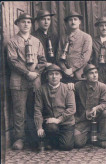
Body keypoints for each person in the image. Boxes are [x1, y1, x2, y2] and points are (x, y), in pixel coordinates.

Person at [7, 13, 46, 150]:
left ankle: (35, 138)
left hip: (35, 81)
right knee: (19, 111)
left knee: (36, 109)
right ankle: (19, 139)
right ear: (17, 24)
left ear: (31, 24)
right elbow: (12, 61)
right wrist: (27, 73)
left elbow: (42, 61)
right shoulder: (12, 42)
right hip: (18, 82)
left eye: (28, 22)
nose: (26, 24)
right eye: (23, 22)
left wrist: (36, 73)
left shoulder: (36, 41)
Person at [34, 64, 76, 151]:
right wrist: (39, 127)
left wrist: (59, 119)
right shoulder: (41, 90)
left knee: (67, 146)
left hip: (66, 122)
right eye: (51, 74)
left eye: (57, 74)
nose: (54, 77)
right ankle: (50, 139)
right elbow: (38, 109)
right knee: (51, 128)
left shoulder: (67, 89)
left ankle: (51, 141)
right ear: (47, 77)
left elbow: (72, 109)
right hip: (50, 123)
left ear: (61, 76)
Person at [74, 64, 106, 148]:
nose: (95, 75)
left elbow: (105, 104)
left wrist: (96, 108)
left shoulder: (103, 87)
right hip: (82, 119)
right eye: (91, 73)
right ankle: (90, 137)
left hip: (97, 118)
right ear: (85, 76)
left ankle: (101, 138)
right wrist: (69, 85)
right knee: (77, 143)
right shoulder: (78, 86)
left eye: (96, 72)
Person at [57, 11, 92, 83]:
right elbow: (58, 56)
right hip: (64, 75)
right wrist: (65, 70)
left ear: (79, 22)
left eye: (75, 19)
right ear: (67, 23)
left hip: (80, 74)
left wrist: (72, 69)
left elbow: (85, 57)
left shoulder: (86, 37)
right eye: (70, 20)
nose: (73, 22)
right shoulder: (63, 38)